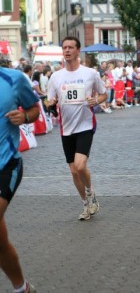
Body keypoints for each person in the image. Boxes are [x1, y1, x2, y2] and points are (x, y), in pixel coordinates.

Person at [47, 36, 107, 220]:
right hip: (66, 128)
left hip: (85, 124)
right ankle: (86, 204)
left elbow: (104, 94)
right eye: (64, 47)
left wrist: (96, 100)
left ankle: (90, 192)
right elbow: (50, 101)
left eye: (71, 47)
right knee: (73, 171)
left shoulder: (90, 73)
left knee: (80, 166)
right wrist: (50, 103)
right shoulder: (55, 77)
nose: (67, 50)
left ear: (78, 50)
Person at [0, 64, 39, 292]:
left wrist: (25, 116)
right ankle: (21, 288)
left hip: (6, 165)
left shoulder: (13, 79)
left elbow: (34, 108)